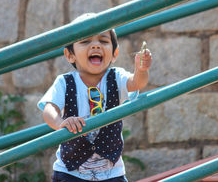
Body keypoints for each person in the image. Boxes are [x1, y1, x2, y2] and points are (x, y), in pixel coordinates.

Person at [37, 13, 152, 181]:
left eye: (104, 41)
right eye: (85, 41)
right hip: (70, 172)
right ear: (70, 55)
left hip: (112, 173)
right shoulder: (64, 82)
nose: (96, 45)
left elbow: (136, 83)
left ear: (114, 53)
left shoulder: (116, 77)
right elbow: (49, 109)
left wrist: (141, 70)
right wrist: (61, 122)